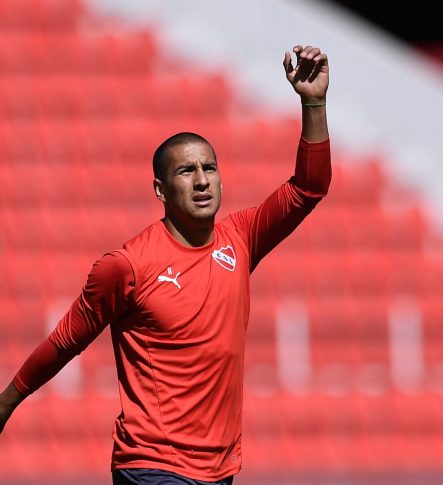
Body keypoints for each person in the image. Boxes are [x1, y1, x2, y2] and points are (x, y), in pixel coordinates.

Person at [0, 44, 331, 484]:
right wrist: (6, 403)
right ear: (160, 190)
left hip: (219, 468)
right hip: (152, 465)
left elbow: (308, 189)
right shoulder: (127, 266)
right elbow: (65, 341)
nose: (201, 181)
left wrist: (313, 103)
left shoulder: (241, 238)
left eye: (209, 168)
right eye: (185, 171)